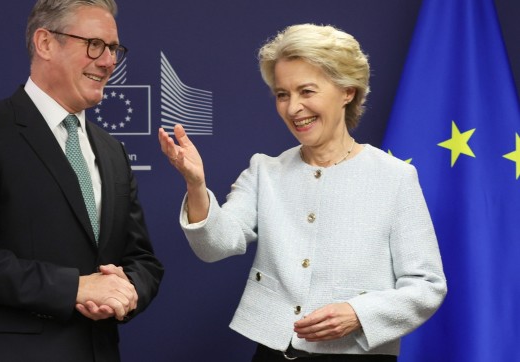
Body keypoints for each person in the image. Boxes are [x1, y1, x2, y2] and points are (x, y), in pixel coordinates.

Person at [158, 24, 446, 361]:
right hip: (273, 353)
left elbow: (427, 285)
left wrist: (359, 313)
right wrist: (196, 184)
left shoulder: (395, 177)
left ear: (347, 91)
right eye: (283, 94)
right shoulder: (265, 171)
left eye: (307, 91)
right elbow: (217, 245)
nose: (293, 108)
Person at [0, 0, 163, 362]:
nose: (107, 61)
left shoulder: (112, 151)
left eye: (113, 49)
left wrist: (128, 290)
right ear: (44, 43)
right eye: (94, 44)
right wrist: (73, 288)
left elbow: (142, 259)